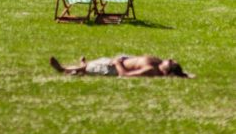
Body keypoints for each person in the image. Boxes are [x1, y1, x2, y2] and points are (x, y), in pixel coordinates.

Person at [50, 54, 193, 78]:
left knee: (88, 68)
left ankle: (64, 69)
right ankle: (81, 68)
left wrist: (118, 63)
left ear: (166, 69)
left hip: (112, 68)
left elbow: (124, 76)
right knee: (91, 65)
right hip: (120, 60)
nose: (169, 58)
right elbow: (183, 75)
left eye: (170, 62)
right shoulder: (158, 62)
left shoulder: (150, 70)